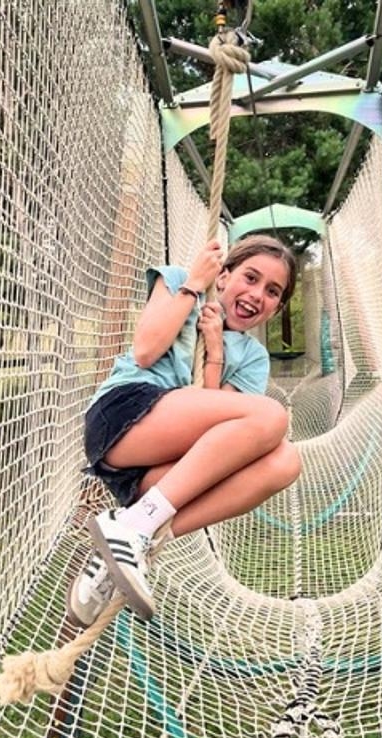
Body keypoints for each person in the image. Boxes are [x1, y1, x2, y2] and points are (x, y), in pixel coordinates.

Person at [68, 235, 302, 626]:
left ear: (276, 308)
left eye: (272, 291)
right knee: (272, 417)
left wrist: (215, 352)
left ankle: (136, 533)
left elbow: (220, 438)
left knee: (286, 461)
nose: (257, 294)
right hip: (126, 418)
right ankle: (136, 529)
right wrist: (194, 285)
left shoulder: (253, 357)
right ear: (223, 276)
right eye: (250, 277)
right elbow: (145, 351)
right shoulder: (180, 281)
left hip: (159, 475)